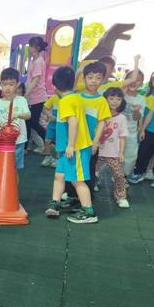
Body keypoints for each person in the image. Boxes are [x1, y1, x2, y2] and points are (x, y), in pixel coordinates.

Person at [45, 66, 97, 224]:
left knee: (77, 180)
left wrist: (71, 146)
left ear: (54, 86)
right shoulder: (75, 97)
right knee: (60, 175)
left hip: (76, 148)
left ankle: (89, 212)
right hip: (68, 148)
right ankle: (55, 203)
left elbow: (73, 122)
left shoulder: (66, 101)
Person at [0, 68, 31, 174]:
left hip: (18, 141)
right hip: (0, 142)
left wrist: (18, 115)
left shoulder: (21, 100)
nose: (8, 87)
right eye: (5, 84)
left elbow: (28, 115)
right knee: (1, 169)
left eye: (11, 84)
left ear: (17, 84)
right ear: (0, 84)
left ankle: (14, 185)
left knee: (14, 170)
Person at [79, 62, 112, 192]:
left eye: (98, 78)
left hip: (91, 142)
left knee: (89, 168)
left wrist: (95, 142)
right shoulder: (76, 98)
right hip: (76, 141)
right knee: (73, 167)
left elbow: (102, 122)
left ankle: (88, 195)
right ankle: (70, 192)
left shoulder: (101, 101)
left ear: (103, 80)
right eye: (90, 77)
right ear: (84, 78)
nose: (94, 81)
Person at [94, 88, 129, 208]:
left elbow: (123, 137)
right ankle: (88, 188)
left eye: (118, 99)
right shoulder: (98, 115)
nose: (115, 101)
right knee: (91, 172)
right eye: (112, 98)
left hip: (114, 153)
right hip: (97, 151)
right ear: (105, 99)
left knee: (119, 175)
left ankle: (121, 197)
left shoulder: (122, 118)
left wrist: (121, 153)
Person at [24, 37, 49, 153]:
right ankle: (26, 147)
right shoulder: (34, 60)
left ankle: (49, 143)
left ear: (37, 48)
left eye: (31, 45)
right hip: (32, 97)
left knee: (33, 123)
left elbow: (35, 80)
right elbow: (30, 79)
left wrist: (26, 94)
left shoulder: (39, 62)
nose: (29, 47)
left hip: (37, 97)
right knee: (28, 122)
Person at [122, 69, 147, 176]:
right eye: (131, 79)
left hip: (131, 132)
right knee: (111, 154)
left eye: (138, 80)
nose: (134, 82)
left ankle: (124, 176)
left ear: (141, 83)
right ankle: (105, 175)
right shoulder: (120, 94)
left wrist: (136, 111)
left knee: (130, 156)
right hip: (115, 131)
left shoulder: (141, 99)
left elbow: (137, 118)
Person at [41, 93, 61, 168]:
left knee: (59, 142)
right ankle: (48, 156)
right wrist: (49, 116)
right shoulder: (54, 97)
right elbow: (44, 108)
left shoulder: (69, 97)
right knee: (47, 140)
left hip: (62, 124)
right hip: (52, 124)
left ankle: (58, 159)